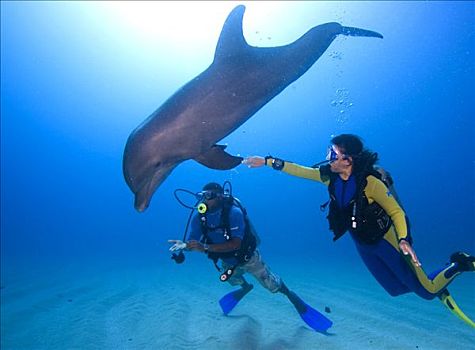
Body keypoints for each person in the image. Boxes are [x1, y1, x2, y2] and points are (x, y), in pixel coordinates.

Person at [243, 134, 475, 327]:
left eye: (333, 154)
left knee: (426, 293)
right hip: (364, 245)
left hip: (388, 242)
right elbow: (301, 171)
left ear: (348, 160)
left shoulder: (371, 183)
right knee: (394, 289)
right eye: (329, 152)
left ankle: (457, 265)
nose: (328, 158)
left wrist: (403, 239)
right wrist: (266, 161)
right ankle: (429, 280)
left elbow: (396, 212)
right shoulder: (330, 178)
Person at [168, 182, 332, 332]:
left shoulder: (234, 213)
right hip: (227, 261)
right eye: (201, 196)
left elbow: (235, 244)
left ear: (220, 196)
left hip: (248, 258)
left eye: (208, 196)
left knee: (271, 286)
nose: (204, 200)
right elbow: (193, 241)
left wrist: (204, 247)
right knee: (232, 280)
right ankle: (246, 287)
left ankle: (289, 294)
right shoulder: (199, 218)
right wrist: (186, 246)